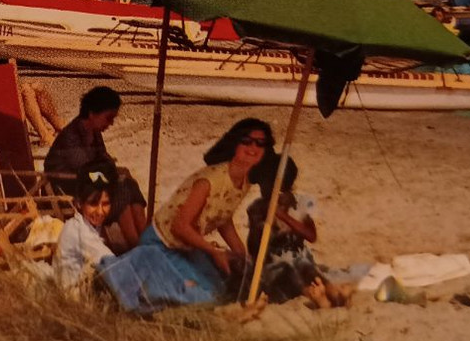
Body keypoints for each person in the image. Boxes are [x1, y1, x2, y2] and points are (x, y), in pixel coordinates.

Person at [98, 119, 273, 312]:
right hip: (163, 244)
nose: (253, 147)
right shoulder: (209, 181)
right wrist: (214, 252)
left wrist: (242, 254)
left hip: (187, 247)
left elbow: (223, 218)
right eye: (247, 141)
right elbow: (179, 227)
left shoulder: (244, 181)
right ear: (235, 143)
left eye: (260, 143)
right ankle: (131, 272)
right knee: (202, 296)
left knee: (222, 286)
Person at [43, 87, 146, 248]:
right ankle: (135, 244)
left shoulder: (94, 132)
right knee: (121, 187)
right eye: (108, 118)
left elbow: (104, 161)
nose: (111, 123)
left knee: (128, 183)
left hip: (86, 182)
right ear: (92, 114)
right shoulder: (71, 135)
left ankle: (145, 238)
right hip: (67, 189)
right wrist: (109, 171)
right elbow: (86, 167)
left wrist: (109, 170)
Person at [246, 158, 352, 309]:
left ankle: (333, 295)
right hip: (275, 265)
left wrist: (284, 216)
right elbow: (254, 248)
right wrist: (265, 223)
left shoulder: (300, 203)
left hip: (301, 258)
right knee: (288, 273)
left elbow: (311, 236)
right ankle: (316, 298)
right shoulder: (257, 208)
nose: (263, 189)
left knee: (309, 270)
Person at [53, 164, 119, 296]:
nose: (100, 211)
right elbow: (112, 264)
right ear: (78, 203)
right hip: (73, 298)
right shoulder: (79, 231)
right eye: (93, 204)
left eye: (105, 203)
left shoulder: (87, 224)